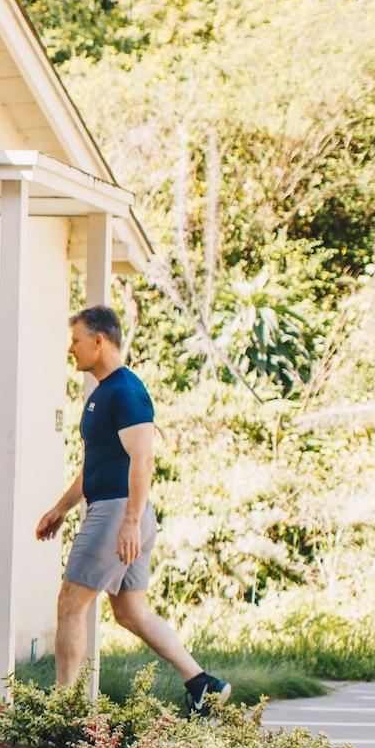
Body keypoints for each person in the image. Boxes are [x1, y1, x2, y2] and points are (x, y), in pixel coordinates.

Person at [34, 305, 230, 714]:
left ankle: (64, 712)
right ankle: (202, 683)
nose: (71, 348)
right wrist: (61, 508)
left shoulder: (126, 391)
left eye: (76, 340)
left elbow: (142, 460)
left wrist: (129, 522)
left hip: (118, 513)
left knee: (71, 602)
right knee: (131, 611)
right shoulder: (102, 393)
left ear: (100, 340)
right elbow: (96, 465)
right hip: (118, 511)